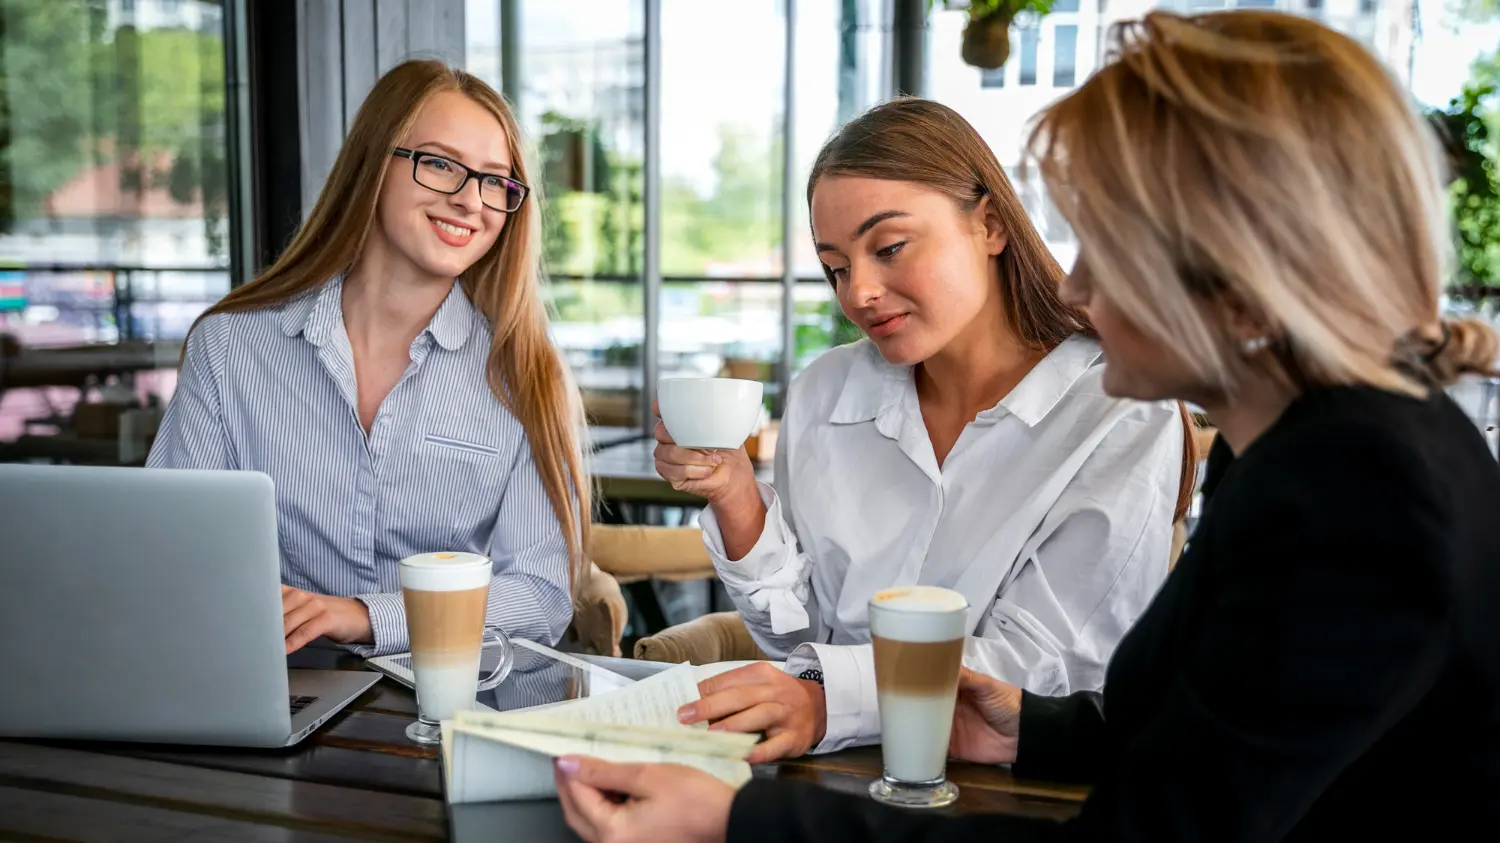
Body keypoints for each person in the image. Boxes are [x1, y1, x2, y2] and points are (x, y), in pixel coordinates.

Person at [549, 10, 1500, 842]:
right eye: (839, 265)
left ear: (1236, 266)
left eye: (1108, 243)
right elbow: (1218, 732)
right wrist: (1033, 729)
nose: (1078, 286)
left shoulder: (1357, 491)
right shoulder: (1305, 456)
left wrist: (740, 820)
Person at [653, 97, 1193, 763]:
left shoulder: (1120, 409)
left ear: (990, 223)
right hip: (834, 771)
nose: (860, 293)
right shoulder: (825, 394)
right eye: (836, 266)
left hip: (1014, 789)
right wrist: (736, 495)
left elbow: (1046, 667)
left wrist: (828, 701)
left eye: (889, 247)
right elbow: (804, 642)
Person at [147, 60, 589, 657]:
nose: (470, 201)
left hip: (449, 711)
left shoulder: (525, 373)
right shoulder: (231, 346)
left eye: (494, 181)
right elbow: (169, 550)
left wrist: (364, 616)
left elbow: (539, 596)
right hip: (273, 686)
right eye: (439, 164)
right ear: (373, 164)